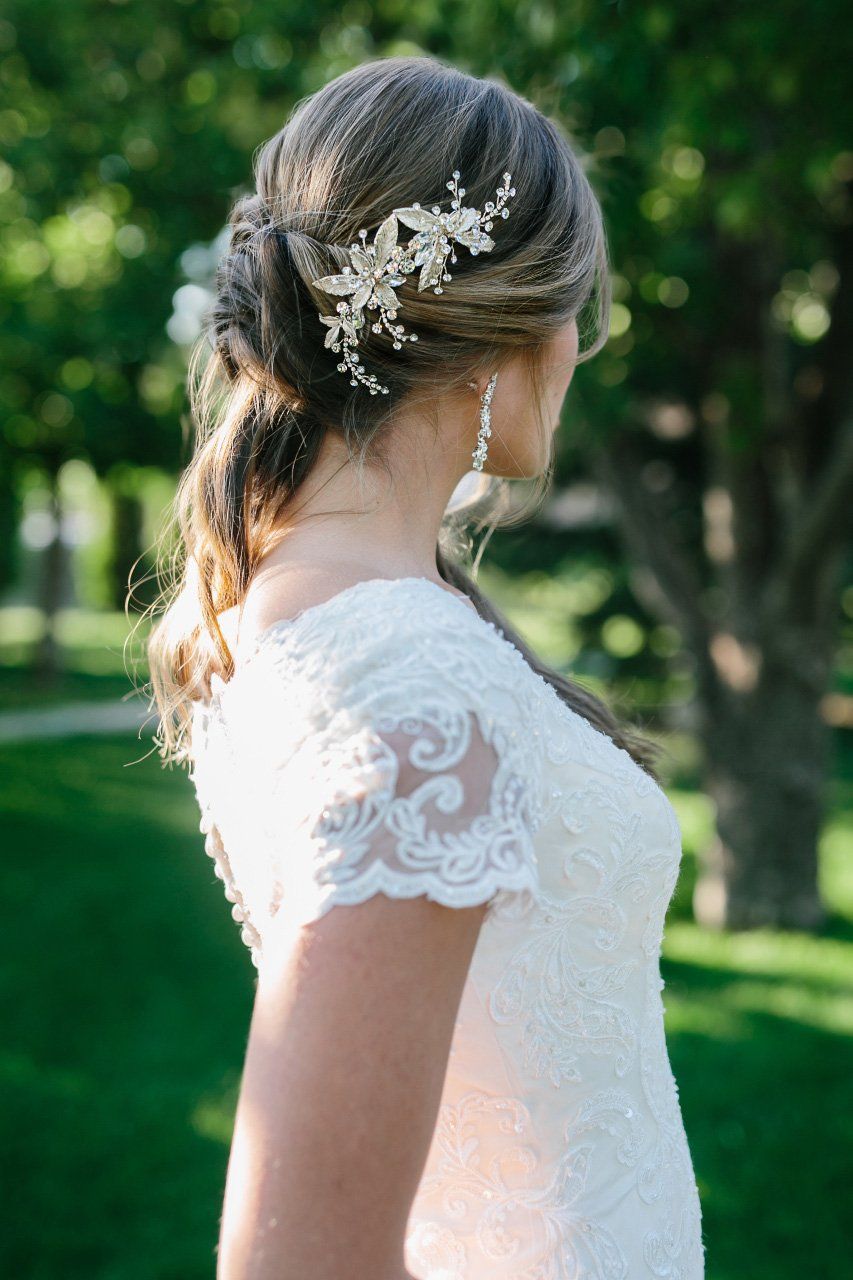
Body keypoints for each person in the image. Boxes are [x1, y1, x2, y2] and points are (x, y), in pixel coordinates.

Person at [147, 53, 705, 1280]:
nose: (579, 348)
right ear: (498, 328)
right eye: (576, 307)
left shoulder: (327, 610)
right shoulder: (413, 683)